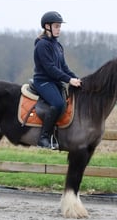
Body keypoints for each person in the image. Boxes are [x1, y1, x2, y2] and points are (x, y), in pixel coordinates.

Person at [33, 11, 81, 149]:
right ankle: (43, 139)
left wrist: (76, 78)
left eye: (60, 26)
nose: (59, 29)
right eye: (56, 26)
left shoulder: (58, 46)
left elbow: (64, 67)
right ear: (47, 26)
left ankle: (57, 136)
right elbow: (50, 69)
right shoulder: (42, 45)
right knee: (58, 104)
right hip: (43, 81)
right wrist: (68, 80)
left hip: (55, 82)